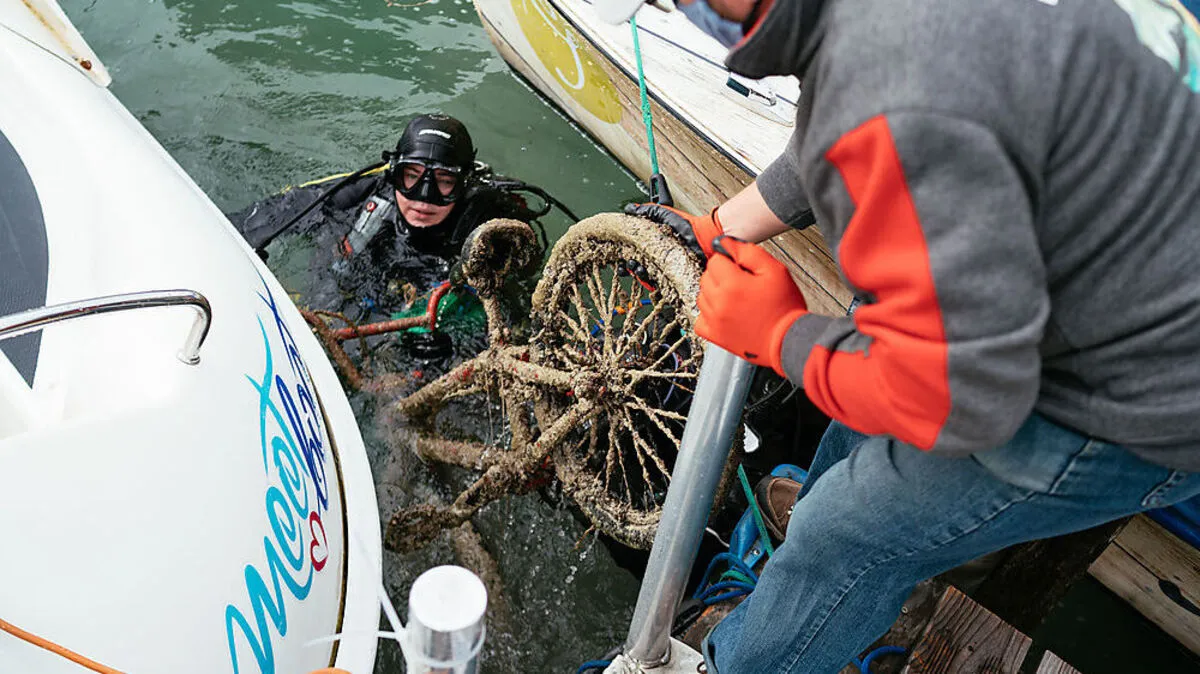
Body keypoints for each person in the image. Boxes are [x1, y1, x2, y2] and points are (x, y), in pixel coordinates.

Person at [605, 0, 1200, 671]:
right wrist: (722, 225)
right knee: (881, 311)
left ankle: (813, 597)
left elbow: (954, 401)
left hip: (1146, 398)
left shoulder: (901, 81)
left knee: (847, 532)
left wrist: (777, 334)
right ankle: (824, 572)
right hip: (1117, 267)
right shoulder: (880, 39)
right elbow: (854, 117)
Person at [231, 113, 557, 341]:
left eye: (444, 182)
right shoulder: (366, 192)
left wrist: (455, 332)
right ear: (393, 172)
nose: (423, 198)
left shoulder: (491, 223)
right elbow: (270, 216)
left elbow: (519, 302)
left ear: (465, 182)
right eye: (411, 177)